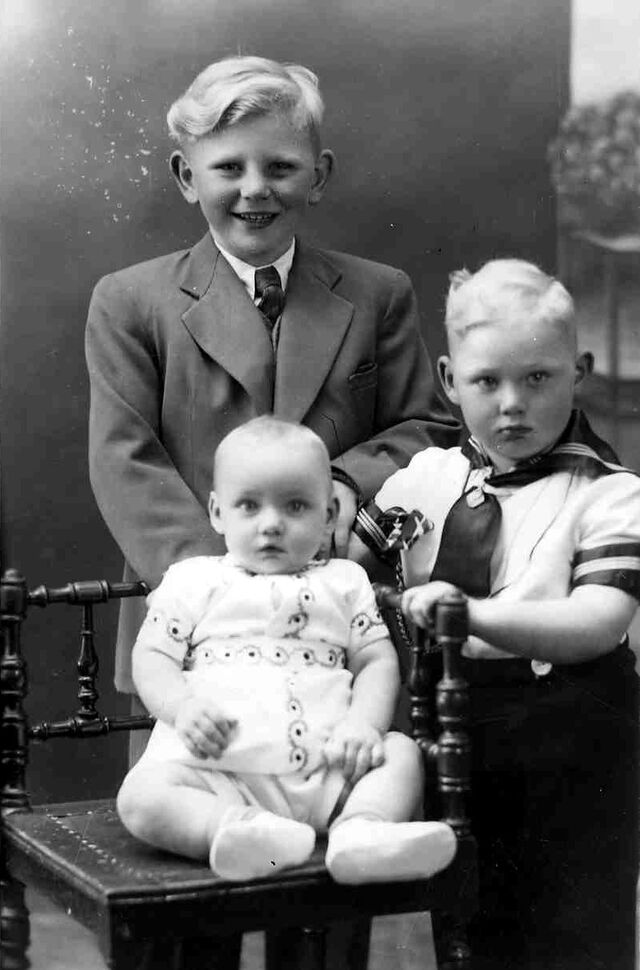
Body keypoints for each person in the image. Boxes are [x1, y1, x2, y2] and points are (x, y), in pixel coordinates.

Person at [85, 54, 458, 706]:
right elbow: (126, 462)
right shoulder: (129, 302)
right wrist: (226, 588)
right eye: (229, 168)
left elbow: (425, 428)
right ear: (186, 177)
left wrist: (344, 482)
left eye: (281, 167)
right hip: (191, 628)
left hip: (341, 621)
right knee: (197, 770)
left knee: (352, 760)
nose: (255, 189)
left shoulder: (378, 294)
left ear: (319, 175)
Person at [352, 260, 640, 969]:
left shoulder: (608, 493)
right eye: (487, 382)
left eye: (538, 377)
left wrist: (472, 618)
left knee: (574, 933)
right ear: (450, 380)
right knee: (475, 929)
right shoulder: (424, 478)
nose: (513, 404)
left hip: (573, 730)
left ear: (580, 372)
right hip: (453, 725)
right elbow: (348, 571)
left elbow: (598, 621)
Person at [116, 417, 457, 884]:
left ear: (328, 515)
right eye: (249, 506)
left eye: (295, 506)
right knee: (142, 797)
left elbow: (375, 659)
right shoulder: (192, 580)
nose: (272, 524)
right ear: (217, 512)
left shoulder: (345, 581)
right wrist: (182, 707)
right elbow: (153, 658)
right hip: (222, 771)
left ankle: (361, 829)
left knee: (400, 753)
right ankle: (240, 831)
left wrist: (363, 723)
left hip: (329, 768)